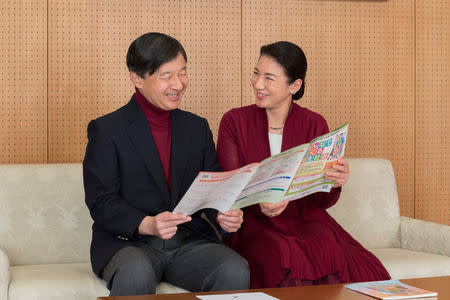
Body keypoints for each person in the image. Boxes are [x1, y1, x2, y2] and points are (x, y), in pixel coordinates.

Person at [83, 32, 249, 296]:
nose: (179, 83)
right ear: (137, 78)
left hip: (187, 242)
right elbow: (101, 201)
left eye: (182, 72)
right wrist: (147, 224)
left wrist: (223, 216)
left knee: (234, 268)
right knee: (136, 273)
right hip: (128, 244)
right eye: (166, 75)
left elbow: (214, 188)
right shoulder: (107, 130)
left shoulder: (197, 127)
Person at [216, 41, 390, 288]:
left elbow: (322, 200)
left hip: (306, 219)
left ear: (294, 86)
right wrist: (260, 200)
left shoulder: (314, 123)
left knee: (329, 253)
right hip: (255, 223)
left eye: (269, 78)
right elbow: (230, 187)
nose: (258, 83)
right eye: (256, 73)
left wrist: (335, 182)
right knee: (282, 256)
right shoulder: (234, 121)